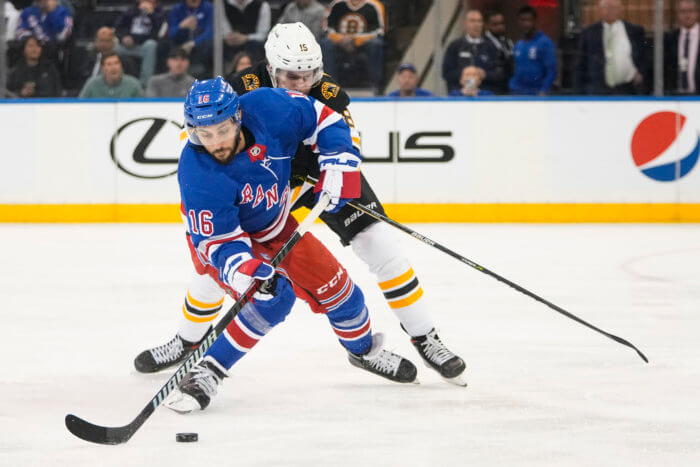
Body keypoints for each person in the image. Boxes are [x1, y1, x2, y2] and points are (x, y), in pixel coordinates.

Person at [134, 23, 466, 386]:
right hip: (265, 179)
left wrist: (341, 166)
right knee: (219, 266)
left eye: (310, 74)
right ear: (272, 68)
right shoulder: (245, 85)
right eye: (292, 76)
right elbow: (203, 135)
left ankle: (425, 336)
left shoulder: (328, 91)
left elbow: (345, 133)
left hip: (323, 172)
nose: (303, 83)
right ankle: (187, 340)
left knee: (381, 245)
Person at [162, 77, 419, 412]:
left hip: (276, 226)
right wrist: (249, 271)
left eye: (222, 130)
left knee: (342, 293)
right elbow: (220, 244)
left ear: (238, 116)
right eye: (204, 134)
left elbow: (325, 119)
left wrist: (339, 159)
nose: (215, 143)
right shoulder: (198, 172)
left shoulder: (269, 107)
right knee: (273, 298)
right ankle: (208, 370)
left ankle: (363, 352)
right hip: (225, 243)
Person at [575, 0, 648, 94]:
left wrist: (641, 74)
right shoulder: (589, 33)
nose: (609, 11)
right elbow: (580, 63)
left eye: (613, 8)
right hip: (597, 91)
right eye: (605, 7)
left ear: (620, 9)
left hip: (628, 89)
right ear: (599, 10)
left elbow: (645, 57)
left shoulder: (635, 31)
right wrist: (580, 91)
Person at [321, 0, 385, 91]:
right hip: (340, 44)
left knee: (376, 44)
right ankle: (330, 88)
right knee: (326, 44)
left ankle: (377, 87)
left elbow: (380, 31)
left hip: (364, 44)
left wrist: (355, 39)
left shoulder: (375, 5)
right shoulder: (336, 4)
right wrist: (340, 39)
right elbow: (327, 29)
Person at [442, 9, 504, 94]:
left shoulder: (491, 47)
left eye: (479, 21)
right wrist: (466, 74)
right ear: (465, 24)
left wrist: (484, 74)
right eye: (472, 21)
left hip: (485, 95)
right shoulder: (455, 46)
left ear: (483, 24)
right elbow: (446, 73)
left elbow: (500, 74)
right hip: (458, 95)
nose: (476, 24)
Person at [114, 0, 165, 87]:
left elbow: (160, 33)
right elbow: (118, 27)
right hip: (128, 45)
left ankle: (144, 84)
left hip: (144, 46)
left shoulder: (159, 12)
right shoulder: (131, 10)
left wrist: (151, 14)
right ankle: (112, 80)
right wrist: (123, 37)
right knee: (113, 45)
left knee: (151, 45)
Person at [509, 6, 557, 95]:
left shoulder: (545, 43)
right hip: (517, 93)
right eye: (523, 20)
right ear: (518, 22)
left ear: (535, 22)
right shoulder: (518, 45)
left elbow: (551, 71)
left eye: (529, 20)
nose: (526, 24)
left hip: (536, 94)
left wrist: (544, 91)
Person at [168, 0, 213, 77]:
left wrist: (193, 43)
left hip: (200, 46)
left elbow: (211, 31)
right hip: (181, 44)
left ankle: (201, 68)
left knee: (211, 42)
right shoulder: (177, 8)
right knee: (167, 44)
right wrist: (181, 26)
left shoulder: (208, 7)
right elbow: (171, 33)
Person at [665, 0, 700, 94]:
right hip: (675, 96)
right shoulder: (670, 38)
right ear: (677, 14)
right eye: (683, 11)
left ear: (697, 13)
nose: (687, 15)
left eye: (691, 11)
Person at [79, 52, 143, 98]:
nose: (113, 67)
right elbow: (80, 105)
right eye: (109, 64)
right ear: (103, 68)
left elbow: (142, 108)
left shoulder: (133, 84)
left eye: (116, 63)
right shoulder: (92, 84)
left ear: (121, 66)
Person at [484, 11, 513, 93]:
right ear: (487, 25)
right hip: (490, 89)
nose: (500, 27)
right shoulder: (483, 43)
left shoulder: (507, 42)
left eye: (501, 23)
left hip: (506, 87)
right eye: (495, 24)